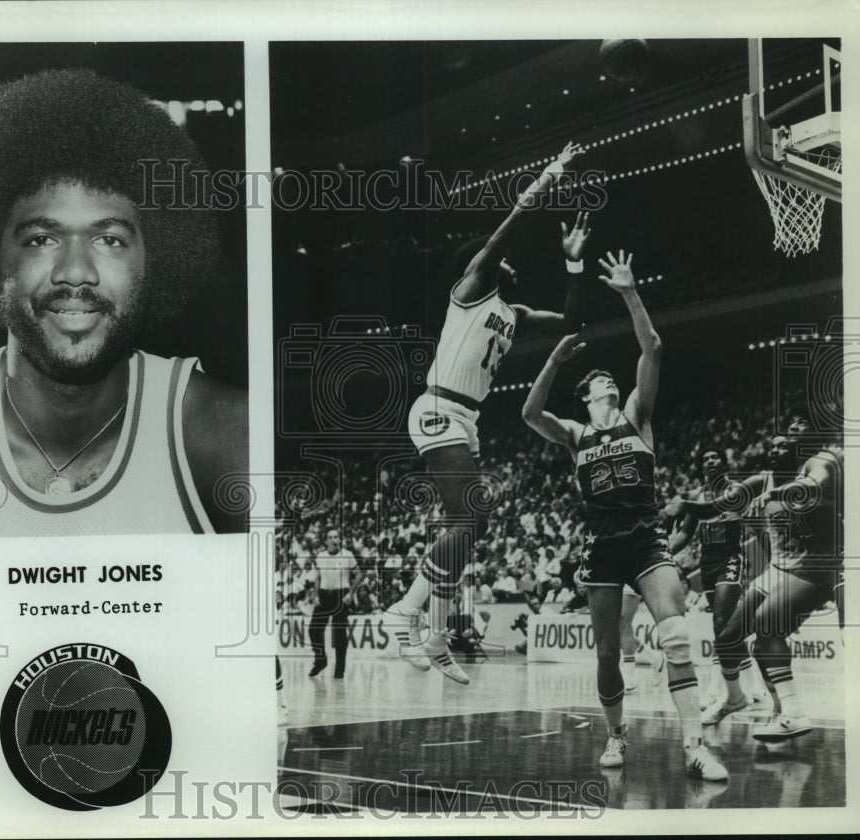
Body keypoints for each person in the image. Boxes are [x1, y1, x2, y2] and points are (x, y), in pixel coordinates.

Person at [0, 69, 247, 538]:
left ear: (154, 259)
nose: (76, 271)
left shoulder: (226, 437)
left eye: (109, 239)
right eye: (41, 239)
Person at [386, 140, 589, 685]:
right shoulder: (471, 288)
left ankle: (436, 634)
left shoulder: (512, 312)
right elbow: (513, 223)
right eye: (503, 258)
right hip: (438, 407)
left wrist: (573, 263)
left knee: (469, 526)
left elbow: (571, 322)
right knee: (472, 517)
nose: (511, 261)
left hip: (465, 419)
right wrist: (551, 172)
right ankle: (404, 612)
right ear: (486, 264)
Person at [522, 250, 728, 782]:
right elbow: (529, 413)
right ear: (586, 397)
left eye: (609, 378)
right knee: (609, 653)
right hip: (602, 545)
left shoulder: (637, 415)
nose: (607, 381)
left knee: (676, 635)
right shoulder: (575, 434)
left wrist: (630, 292)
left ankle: (694, 746)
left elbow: (652, 346)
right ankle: (616, 734)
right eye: (597, 381)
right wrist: (554, 360)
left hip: (646, 539)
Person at [693, 414, 843, 742]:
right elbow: (723, 507)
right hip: (780, 568)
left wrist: (777, 497)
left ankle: (788, 710)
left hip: (817, 565)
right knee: (728, 637)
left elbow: (815, 485)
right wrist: (689, 506)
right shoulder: (764, 479)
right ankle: (741, 699)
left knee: (768, 629)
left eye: (784, 445)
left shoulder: (816, 465)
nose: (775, 450)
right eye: (773, 446)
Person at [670, 447, 758, 722]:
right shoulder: (698, 495)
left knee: (721, 623)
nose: (710, 461)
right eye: (705, 459)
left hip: (730, 559)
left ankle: (715, 690)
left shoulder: (736, 491)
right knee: (726, 628)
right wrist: (662, 552)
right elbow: (685, 533)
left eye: (714, 457)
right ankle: (754, 685)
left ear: (723, 463)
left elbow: (755, 522)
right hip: (707, 564)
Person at [308, 529, 361, 678]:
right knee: (313, 630)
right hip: (324, 595)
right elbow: (318, 577)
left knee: (339, 634)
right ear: (326, 541)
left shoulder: (347, 555)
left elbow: (359, 574)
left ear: (340, 539)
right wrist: (316, 595)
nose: (333, 540)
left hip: (341, 595)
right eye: (330, 537)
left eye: (336, 537)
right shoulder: (320, 556)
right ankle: (320, 661)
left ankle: (339, 670)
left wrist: (351, 593)